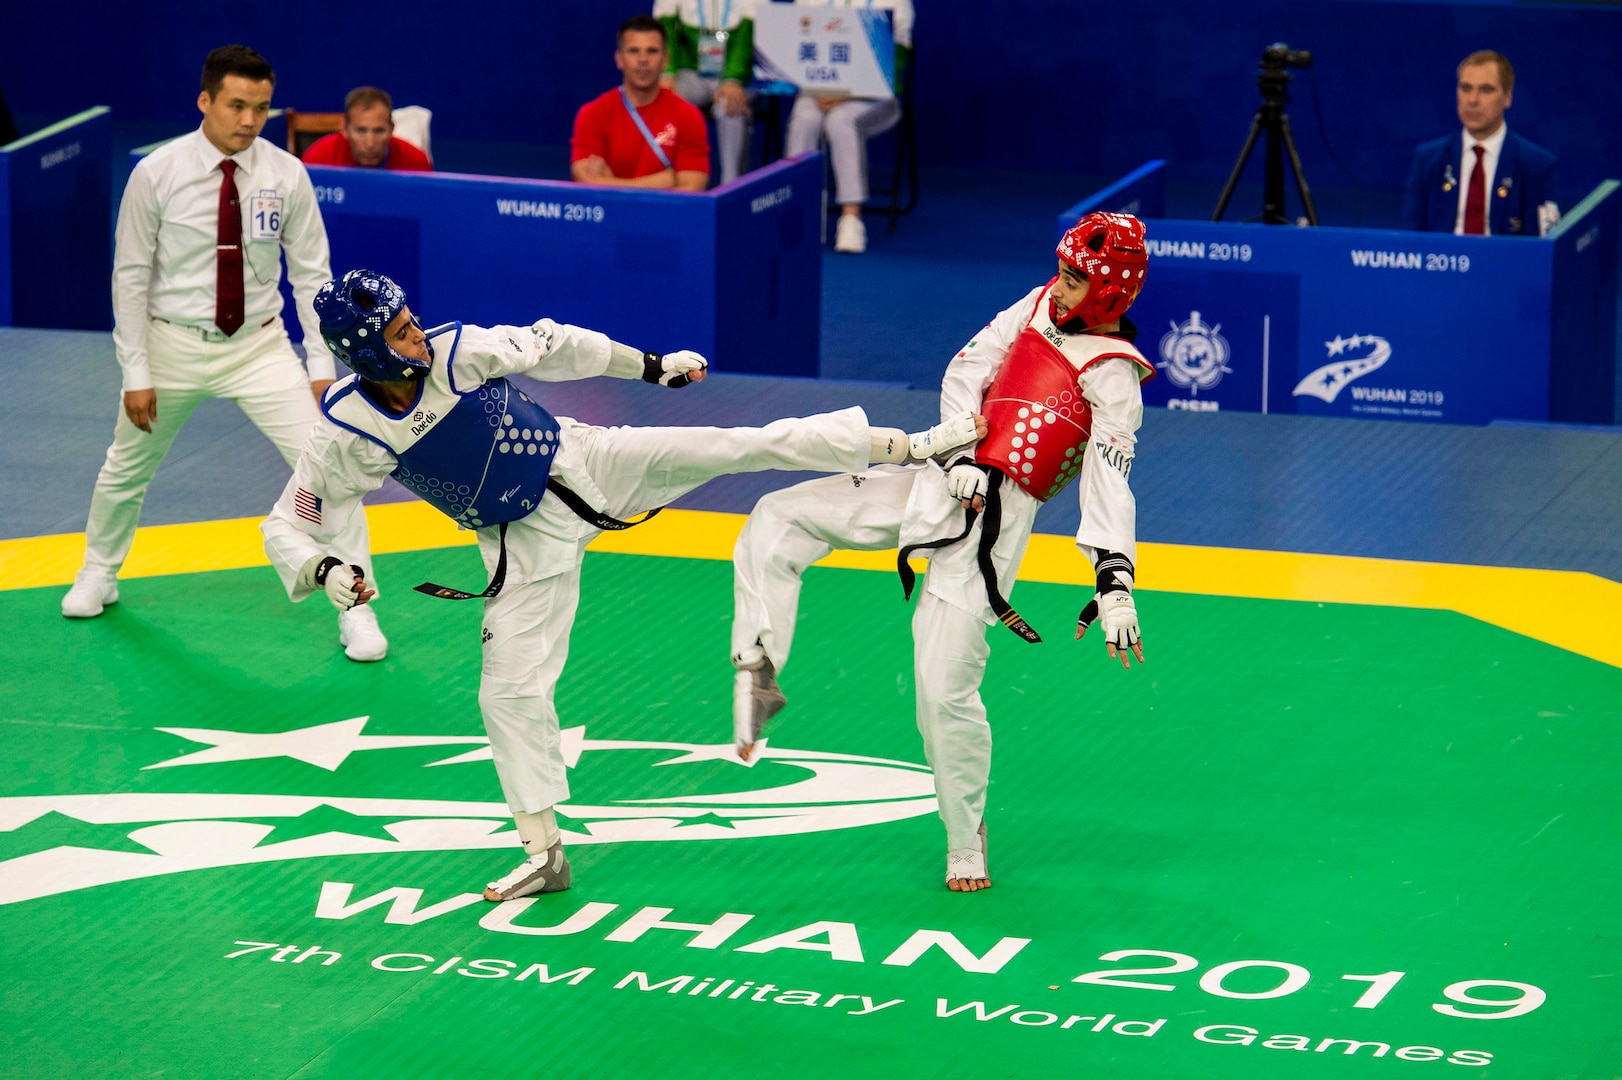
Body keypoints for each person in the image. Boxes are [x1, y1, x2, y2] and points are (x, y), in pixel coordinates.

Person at [260, 268, 982, 902]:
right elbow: (288, 522)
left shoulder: (457, 350)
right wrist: (325, 570)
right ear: (366, 350)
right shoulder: (345, 433)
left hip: (587, 459)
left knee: (739, 444)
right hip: (522, 542)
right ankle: (543, 854)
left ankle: (910, 446)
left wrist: (653, 366)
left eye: (410, 318)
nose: (416, 331)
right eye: (399, 329)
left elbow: (557, 341)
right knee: (505, 693)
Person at [730, 213, 1153, 891]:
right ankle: (757, 667)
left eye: (1076, 279)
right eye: (1063, 271)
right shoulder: (1039, 305)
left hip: (992, 535)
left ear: (1110, 292)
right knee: (777, 517)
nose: (1061, 286)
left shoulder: (1115, 377)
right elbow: (968, 366)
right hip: (936, 482)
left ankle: (965, 837)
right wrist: (960, 450)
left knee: (941, 691)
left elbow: (1111, 474)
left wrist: (1114, 578)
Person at [62, 45, 387, 663]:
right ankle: (97, 572)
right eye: (236, 105)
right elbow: (129, 277)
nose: (248, 119)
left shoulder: (286, 173)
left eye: (261, 108)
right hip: (171, 345)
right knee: (126, 467)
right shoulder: (156, 173)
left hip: (260, 347)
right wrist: (136, 370)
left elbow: (314, 278)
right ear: (205, 100)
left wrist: (322, 369)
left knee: (331, 474)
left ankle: (358, 606)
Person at [783, 0, 914, 254]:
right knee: (804, 117)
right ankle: (798, 214)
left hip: (875, 97)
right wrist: (815, 84)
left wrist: (850, 91)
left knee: (840, 120)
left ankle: (851, 218)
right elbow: (795, 46)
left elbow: (896, 57)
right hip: (817, 91)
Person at [1401, 50, 1558, 237]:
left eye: (1486, 90)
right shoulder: (1428, 159)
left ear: (1507, 97)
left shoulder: (1537, 165)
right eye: (1465, 88)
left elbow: (1540, 247)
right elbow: (1411, 240)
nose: (1472, 100)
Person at [571, 15, 711, 191]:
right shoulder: (592, 114)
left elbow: (693, 187)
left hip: (665, 218)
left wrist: (610, 183)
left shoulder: (689, 116)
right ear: (619, 59)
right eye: (633, 51)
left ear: (665, 59)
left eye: (652, 51)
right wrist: (664, 181)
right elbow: (584, 180)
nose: (643, 60)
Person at [654, 0, 757, 185]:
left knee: (729, 105)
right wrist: (667, 71)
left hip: (738, 76)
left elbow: (748, 39)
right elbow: (664, 31)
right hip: (691, 73)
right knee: (666, 99)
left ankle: (731, 185)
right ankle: (669, 180)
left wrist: (733, 78)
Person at [301, 86, 432, 172]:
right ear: (344, 128)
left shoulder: (415, 163)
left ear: (392, 128)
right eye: (360, 131)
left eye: (379, 131)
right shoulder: (317, 160)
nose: (370, 143)